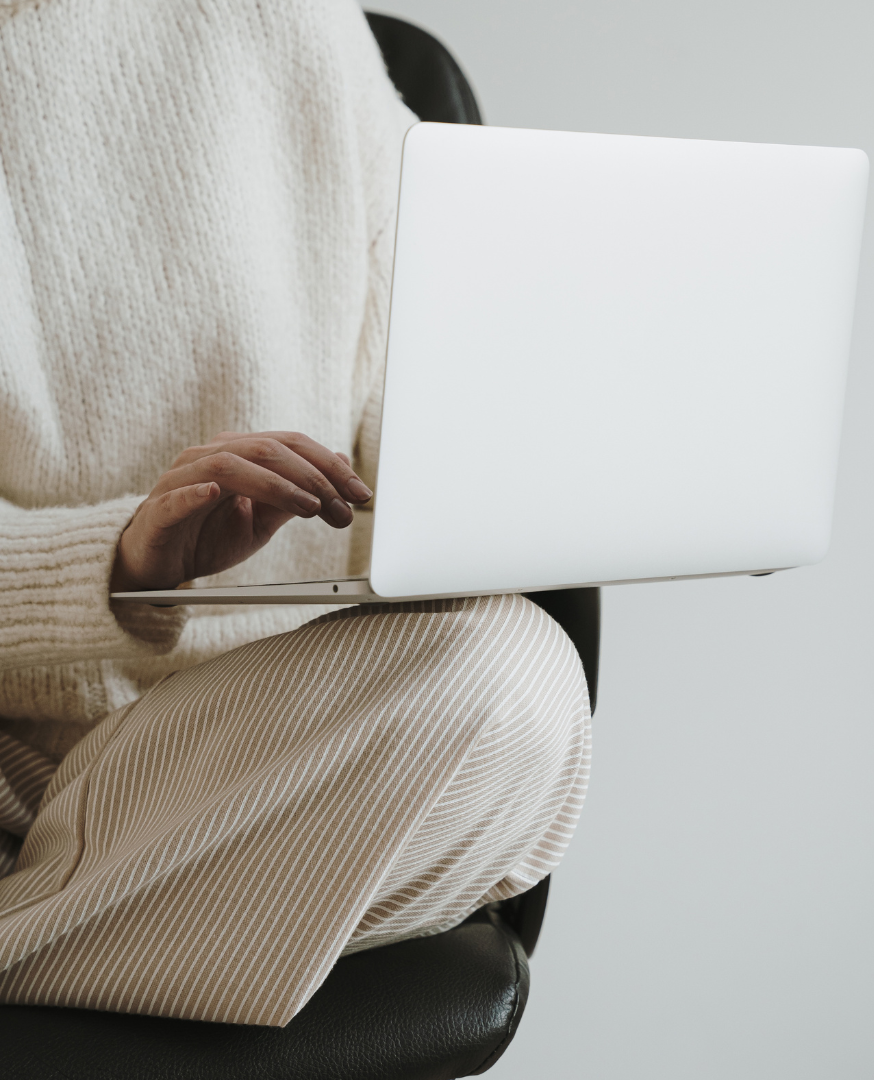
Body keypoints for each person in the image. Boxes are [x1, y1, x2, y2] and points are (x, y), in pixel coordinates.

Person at [0, 0, 590, 1026]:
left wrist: (571, 479)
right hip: (20, 756)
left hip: (290, 737)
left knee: (515, 684)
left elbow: (450, 382)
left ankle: (36, 937)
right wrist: (120, 561)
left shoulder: (302, 28)